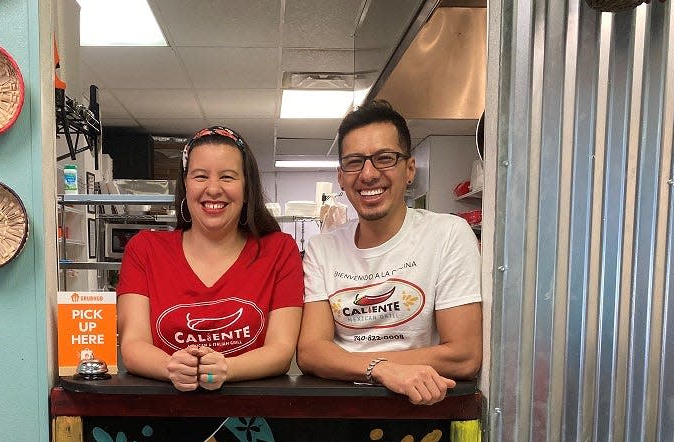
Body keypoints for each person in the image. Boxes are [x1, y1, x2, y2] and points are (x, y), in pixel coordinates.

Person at [297, 100, 482, 405]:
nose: (368, 174)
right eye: (355, 161)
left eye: (384, 158)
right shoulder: (323, 248)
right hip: (340, 414)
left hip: (423, 412)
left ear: (409, 169)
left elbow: (463, 356)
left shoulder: (448, 234)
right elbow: (311, 352)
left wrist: (350, 362)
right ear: (341, 176)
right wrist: (383, 370)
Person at [117, 125, 304, 391]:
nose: (213, 189)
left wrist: (227, 369)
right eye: (200, 176)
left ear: (247, 187)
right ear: (185, 183)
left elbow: (282, 350)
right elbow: (133, 345)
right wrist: (171, 367)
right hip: (162, 415)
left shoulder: (279, 251)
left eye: (227, 177)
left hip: (254, 420)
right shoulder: (144, 249)